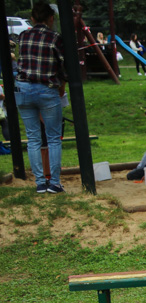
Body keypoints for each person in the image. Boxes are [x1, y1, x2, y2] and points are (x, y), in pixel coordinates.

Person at [16, 1, 66, 195]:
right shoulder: (55, 37)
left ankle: (39, 183)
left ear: (32, 19)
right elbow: (62, 66)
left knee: (33, 139)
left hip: (23, 89)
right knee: (53, 138)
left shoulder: (22, 36)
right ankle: (54, 182)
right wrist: (62, 86)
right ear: (51, 18)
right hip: (47, 89)